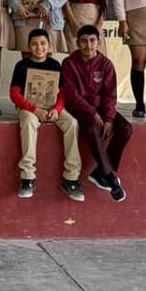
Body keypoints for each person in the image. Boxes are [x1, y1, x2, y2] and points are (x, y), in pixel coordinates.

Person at [10, 29, 84, 202]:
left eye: (43, 43)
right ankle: (28, 176)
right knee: (28, 122)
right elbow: (14, 93)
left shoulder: (55, 65)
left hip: (52, 107)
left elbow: (62, 92)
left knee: (72, 123)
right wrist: (34, 109)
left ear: (49, 46)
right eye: (34, 44)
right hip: (29, 108)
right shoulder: (22, 66)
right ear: (28, 47)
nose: (39, 47)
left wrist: (57, 109)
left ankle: (71, 177)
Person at [61, 24, 130, 202]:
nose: (88, 45)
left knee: (126, 128)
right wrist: (93, 113)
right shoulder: (69, 63)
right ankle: (110, 177)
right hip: (79, 109)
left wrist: (109, 118)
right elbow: (72, 95)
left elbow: (110, 95)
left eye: (92, 41)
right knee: (92, 129)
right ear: (77, 43)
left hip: (101, 109)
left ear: (99, 42)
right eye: (84, 41)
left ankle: (100, 172)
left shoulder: (106, 64)